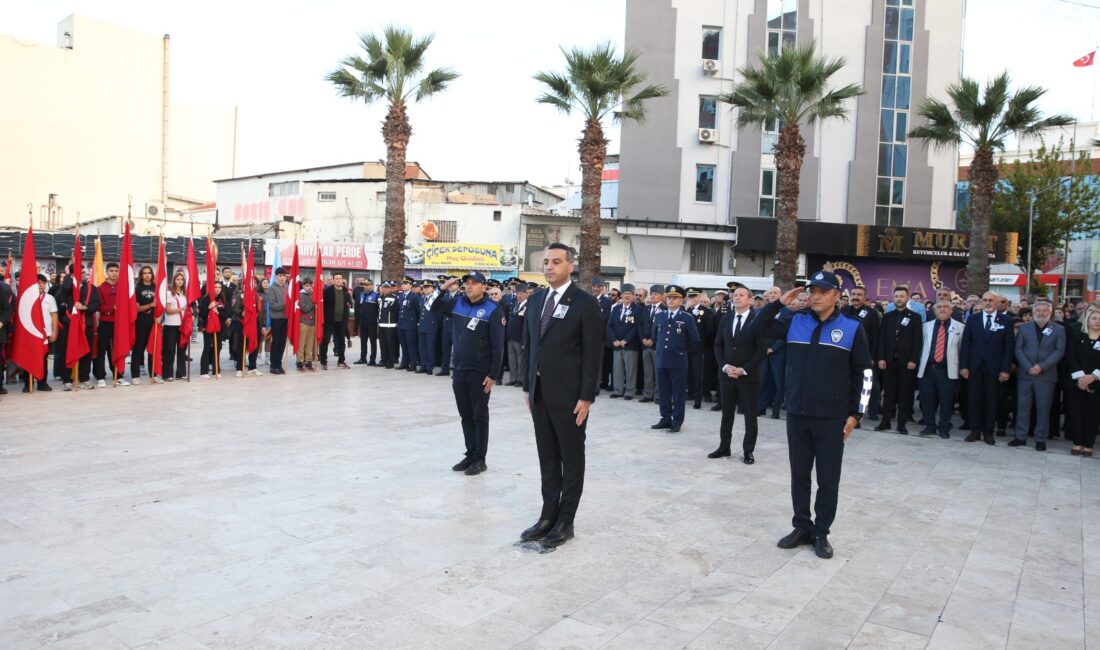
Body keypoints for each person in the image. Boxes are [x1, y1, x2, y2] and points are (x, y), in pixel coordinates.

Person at [750, 271, 872, 560]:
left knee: (828, 479)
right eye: (812, 290)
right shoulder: (795, 321)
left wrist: (857, 414)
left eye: (822, 291)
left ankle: (821, 533)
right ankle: (802, 527)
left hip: (832, 418)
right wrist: (778, 304)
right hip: (798, 413)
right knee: (799, 475)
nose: (815, 295)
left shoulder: (852, 327)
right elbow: (756, 330)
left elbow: (864, 374)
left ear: (836, 296)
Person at [519, 243, 603, 548]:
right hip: (540, 393)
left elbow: (593, 355)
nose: (549, 267)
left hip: (570, 398)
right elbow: (530, 346)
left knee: (571, 458)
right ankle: (547, 516)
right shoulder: (537, 300)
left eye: (556, 261)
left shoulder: (584, 303)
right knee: (548, 458)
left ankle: (565, 521)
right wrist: (528, 386)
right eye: (546, 262)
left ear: (570, 266)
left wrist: (586, 397)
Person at [429, 272, 506, 475]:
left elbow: (498, 345)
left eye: (474, 283)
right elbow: (433, 307)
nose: (469, 287)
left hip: (480, 372)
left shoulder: (493, 309)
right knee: (466, 415)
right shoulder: (457, 304)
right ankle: (470, 454)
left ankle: (480, 458)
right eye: (467, 283)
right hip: (460, 368)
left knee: (479, 416)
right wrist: (443, 288)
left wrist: (493, 374)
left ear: (484, 287)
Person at [711, 285, 766, 463]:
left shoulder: (757, 320)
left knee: (750, 415)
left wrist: (743, 369)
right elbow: (718, 345)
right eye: (735, 295)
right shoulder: (726, 319)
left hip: (748, 376)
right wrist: (725, 366)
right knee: (727, 413)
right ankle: (724, 446)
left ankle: (748, 451)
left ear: (750, 300)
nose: (737, 298)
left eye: (741, 295)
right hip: (727, 375)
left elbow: (761, 350)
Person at [1007, 299, 1065, 451]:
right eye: (1038, 311)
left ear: (1050, 312)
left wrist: (1041, 367)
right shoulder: (1024, 328)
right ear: (1033, 313)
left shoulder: (1058, 329)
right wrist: (1028, 366)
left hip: (1046, 376)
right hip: (1026, 374)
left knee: (1043, 408)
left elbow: (1059, 351)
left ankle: (1040, 439)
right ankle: (1020, 437)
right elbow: (1018, 349)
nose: (1041, 313)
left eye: (1045, 311)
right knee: (1022, 407)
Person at [959, 291, 1015, 445]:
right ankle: (975, 431)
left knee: (991, 401)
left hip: (994, 368)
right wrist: (963, 366)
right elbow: (966, 344)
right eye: (985, 300)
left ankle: (988, 432)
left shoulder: (1006, 321)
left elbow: (1008, 347)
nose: (988, 302)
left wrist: (1005, 370)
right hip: (974, 367)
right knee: (974, 400)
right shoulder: (973, 319)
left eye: (991, 300)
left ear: (997, 302)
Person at [651, 285, 700, 433]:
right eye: (669, 297)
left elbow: (694, 341)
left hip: (678, 361)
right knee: (664, 391)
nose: (671, 300)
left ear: (682, 300)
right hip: (661, 359)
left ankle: (677, 420)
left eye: (675, 298)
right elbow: (655, 337)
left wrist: (680, 351)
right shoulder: (659, 316)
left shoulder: (687, 318)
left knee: (678, 393)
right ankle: (665, 418)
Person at [875, 286, 923, 435]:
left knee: (905, 394)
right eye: (896, 296)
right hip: (888, 361)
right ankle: (886, 421)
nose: (899, 299)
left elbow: (918, 341)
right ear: (893, 298)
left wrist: (914, 359)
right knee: (888, 393)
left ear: (907, 298)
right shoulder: (887, 316)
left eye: (902, 296)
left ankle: (901, 424)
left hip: (906, 362)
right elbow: (881, 339)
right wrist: (881, 357)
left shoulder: (915, 317)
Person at [916, 300, 964, 438]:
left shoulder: (960, 327)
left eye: (945, 307)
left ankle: (944, 428)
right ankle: (930, 426)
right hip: (928, 369)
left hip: (947, 370)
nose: (942, 309)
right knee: (927, 400)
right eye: (939, 308)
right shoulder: (926, 326)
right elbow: (921, 347)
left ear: (951, 311)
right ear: (934, 311)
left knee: (947, 401)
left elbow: (962, 350)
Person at [1067, 304, 1100, 457]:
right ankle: (1077, 442)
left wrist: (1092, 377)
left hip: (1097, 382)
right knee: (1077, 412)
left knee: (1093, 414)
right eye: (1093, 318)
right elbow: (1071, 357)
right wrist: (1081, 378)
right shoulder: (1078, 336)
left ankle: (1088, 445)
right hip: (1078, 382)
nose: (1097, 321)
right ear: (1087, 320)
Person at [606, 284, 643, 400]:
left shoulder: (638, 309)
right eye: (625, 294)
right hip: (617, 345)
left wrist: (625, 340)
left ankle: (629, 391)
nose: (627, 296)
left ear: (633, 296)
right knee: (617, 369)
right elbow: (610, 326)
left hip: (630, 345)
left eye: (630, 294)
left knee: (630, 370)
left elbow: (637, 327)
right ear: (621, 295)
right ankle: (618, 390)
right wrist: (614, 340)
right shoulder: (616, 308)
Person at [22, 274, 58, 392]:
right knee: (28, 359)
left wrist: (54, 331)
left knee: (43, 360)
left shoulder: (49, 298)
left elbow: (54, 316)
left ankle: (42, 383)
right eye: (38, 283)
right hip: (31, 333)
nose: (41, 285)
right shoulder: (26, 298)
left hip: (45, 334)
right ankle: (28, 384)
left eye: (43, 283)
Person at [94, 262, 127, 387]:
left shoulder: (123, 287)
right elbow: (99, 306)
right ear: (107, 272)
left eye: (116, 271)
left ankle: (118, 375)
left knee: (117, 349)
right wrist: (112, 308)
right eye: (111, 271)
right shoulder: (100, 288)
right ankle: (100, 376)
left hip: (119, 324)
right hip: (106, 323)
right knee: (102, 350)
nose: (114, 273)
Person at [757, 286, 788, 419]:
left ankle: (775, 410)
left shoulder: (787, 312)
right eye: (771, 293)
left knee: (778, 383)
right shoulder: (763, 311)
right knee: (762, 381)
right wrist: (763, 348)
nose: (773, 295)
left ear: (781, 295)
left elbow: (787, 334)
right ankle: (761, 408)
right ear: (767, 296)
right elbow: (758, 329)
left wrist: (773, 349)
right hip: (763, 352)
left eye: (776, 293)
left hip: (778, 353)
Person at [687, 288, 718, 409]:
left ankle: (698, 399)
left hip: (700, 348)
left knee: (698, 373)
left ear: (699, 297)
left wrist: (701, 343)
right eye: (690, 296)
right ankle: (690, 393)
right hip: (688, 347)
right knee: (688, 372)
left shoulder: (706, 311)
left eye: (694, 296)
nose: (692, 299)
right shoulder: (688, 310)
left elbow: (709, 331)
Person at [231, 276, 265, 377]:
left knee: (255, 344)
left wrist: (263, 325)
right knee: (241, 346)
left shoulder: (258, 297)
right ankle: (239, 368)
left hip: (255, 324)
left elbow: (262, 312)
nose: (253, 284)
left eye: (254, 283)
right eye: (251, 282)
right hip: (242, 323)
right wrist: (241, 312)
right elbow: (233, 307)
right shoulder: (239, 295)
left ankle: (252, 367)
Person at [320, 272, 353, 370]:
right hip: (329, 321)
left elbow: (349, 303)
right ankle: (323, 361)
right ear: (333, 280)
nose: (339, 280)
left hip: (341, 321)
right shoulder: (327, 291)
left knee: (341, 341)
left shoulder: (345, 291)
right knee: (325, 341)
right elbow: (322, 305)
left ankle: (341, 361)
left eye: (340, 278)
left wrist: (349, 304)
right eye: (337, 278)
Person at [639, 285, 665, 404]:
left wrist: (653, 340)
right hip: (645, 344)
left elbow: (663, 328)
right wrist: (643, 339)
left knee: (658, 371)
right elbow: (640, 325)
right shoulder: (646, 308)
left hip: (657, 345)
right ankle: (648, 394)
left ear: (662, 296)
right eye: (652, 293)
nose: (653, 296)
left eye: (656, 294)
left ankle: (659, 395)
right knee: (648, 371)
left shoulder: (664, 309)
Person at [161, 272, 189, 381]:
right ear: (174, 281)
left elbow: (192, 308)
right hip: (170, 325)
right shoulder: (169, 293)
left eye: (181, 279)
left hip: (182, 326)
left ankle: (180, 373)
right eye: (177, 279)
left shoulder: (185, 294)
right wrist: (180, 309)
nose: (180, 281)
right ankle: (167, 374)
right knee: (169, 350)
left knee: (182, 350)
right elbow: (167, 310)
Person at [131, 266, 157, 384]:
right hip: (140, 322)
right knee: (138, 349)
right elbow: (136, 308)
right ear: (141, 275)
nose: (147, 275)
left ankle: (153, 374)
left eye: (149, 273)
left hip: (153, 322)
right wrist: (151, 305)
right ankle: (135, 375)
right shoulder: (137, 289)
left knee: (153, 349)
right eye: (144, 273)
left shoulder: (156, 288)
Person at [198, 282, 229, 378]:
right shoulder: (206, 299)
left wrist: (218, 312)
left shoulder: (223, 299)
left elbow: (227, 313)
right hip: (208, 326)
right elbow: (201, 313)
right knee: (207, 348)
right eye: (215, 287)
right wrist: (209, 307)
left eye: (219, 287)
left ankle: (216, 370)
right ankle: (204, 371)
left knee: (218, 347)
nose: (217, 289)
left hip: (220, 326)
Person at [505, 283, 530, 386]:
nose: (519, 296)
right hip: (511, 337)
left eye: (521, 294)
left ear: (525, 294)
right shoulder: (515, 304)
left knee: (520, 360)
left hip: (520, 338)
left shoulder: (528, 306)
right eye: (517, 293)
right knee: (512, 360)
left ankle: (520, 380)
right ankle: (513, 379)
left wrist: (525, 340)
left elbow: (527, 325)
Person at [266, 268, 289, 375]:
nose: (282, 278)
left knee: (282, 343)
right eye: (280, 275)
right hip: (276, 319)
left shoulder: (288, 288)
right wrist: (285, 305)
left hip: (286, 319)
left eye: (284, 276)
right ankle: (273, 365)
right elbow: (273, 305)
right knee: (276, 342)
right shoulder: (272, 288)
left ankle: (279, 364)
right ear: (276, 276)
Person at [592, 277, 613, 392]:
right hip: (586, 336)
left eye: (599, 287)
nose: (596, 289)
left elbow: (606, 320)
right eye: (594, 286)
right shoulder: (588, 299)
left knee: (597, 363)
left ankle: (595, 387)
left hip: (599, 337)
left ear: (603, 288)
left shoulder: (607, 302)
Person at [396, 276, 420, 371]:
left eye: (405, 284)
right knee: (403, 345)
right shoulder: (401, 295)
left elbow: (418, 311)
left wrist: (415, 322)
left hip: (410, 325)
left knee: (411, 345)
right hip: (401, 324)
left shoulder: (414, 297)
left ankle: (412, 364)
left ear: (410, 285)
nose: (403, 285)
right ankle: (404, 363)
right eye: (402, 284)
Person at [354, 279, 379, 365]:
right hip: (363, 322)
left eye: (368, 285)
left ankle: (372, 360)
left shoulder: (376, 295)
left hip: (372, 322)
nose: (366, 286)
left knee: (372, 341)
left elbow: (379, 309)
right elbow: (357, 307)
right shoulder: (361, 295)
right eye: (364, 285)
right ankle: (363, 358)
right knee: (363, 341)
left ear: (371, 285)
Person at [415, 279, 439, 374]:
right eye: (424, 287)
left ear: (432, 288)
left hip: (431, 326)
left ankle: (429, 367)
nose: (425, 289)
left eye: (427, 287)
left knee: (430, 348)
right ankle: (423, 365)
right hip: (422, 326)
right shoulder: (421, 298)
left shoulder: (435, 299)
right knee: (422, 348)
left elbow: (438, 314)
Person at [296, 277, 318, 372]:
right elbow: (304, 308)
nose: (309, 287)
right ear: (303, 286)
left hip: (313, 323)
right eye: (307, 285)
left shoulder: (315, 294)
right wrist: (313, 303)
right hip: (304, 322)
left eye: (310, 285)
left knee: (310, 344)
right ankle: (300, 362)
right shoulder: (301, 295)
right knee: (302, 344)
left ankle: (308, 361)